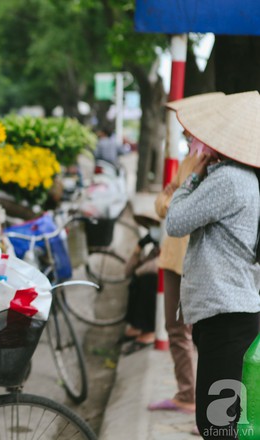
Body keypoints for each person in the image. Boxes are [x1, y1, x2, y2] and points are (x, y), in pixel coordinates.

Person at [164, 91, 260, 439]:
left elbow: (175, 221)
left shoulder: (229, 179)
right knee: (222, 421)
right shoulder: (235, 176)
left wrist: (189, 176)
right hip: (224, 315)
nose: (191, 142)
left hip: (228, 318)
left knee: (218, 425)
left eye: (194, 139)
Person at [147, 95, 224, 419]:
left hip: (194, 258)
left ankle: (211, 407)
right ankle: (186, 393)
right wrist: (172, 200)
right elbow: (164, 202)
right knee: (176, 329)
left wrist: (172, 200)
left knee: (199, 334)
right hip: (173, 254)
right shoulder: (190, 157)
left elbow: (176, 207)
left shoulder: (211, 162)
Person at [120, 231, 159, 355]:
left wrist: (139, 272)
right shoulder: (154, 250)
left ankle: (149, 331)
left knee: (148, 280)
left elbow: (154, 267)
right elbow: (127, 271)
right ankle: (136, 326)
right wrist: (138, 248)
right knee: (136, 281)